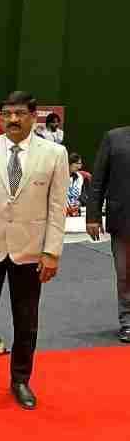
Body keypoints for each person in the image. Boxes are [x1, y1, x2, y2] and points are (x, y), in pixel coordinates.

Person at [0, 91, 68, 409]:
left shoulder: (55, 154)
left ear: (33, 117)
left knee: (26, 320)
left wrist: (52, 252)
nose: (13, 120)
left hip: (31, 250)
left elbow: (57, 207)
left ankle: (21, 379)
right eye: (7, 114)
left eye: (20, 113)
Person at [87, 124, 130, 343]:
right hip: (123, 219)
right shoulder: (114, 138)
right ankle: (128, 322)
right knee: (125, 274)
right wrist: (92, 216)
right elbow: (98, 180)